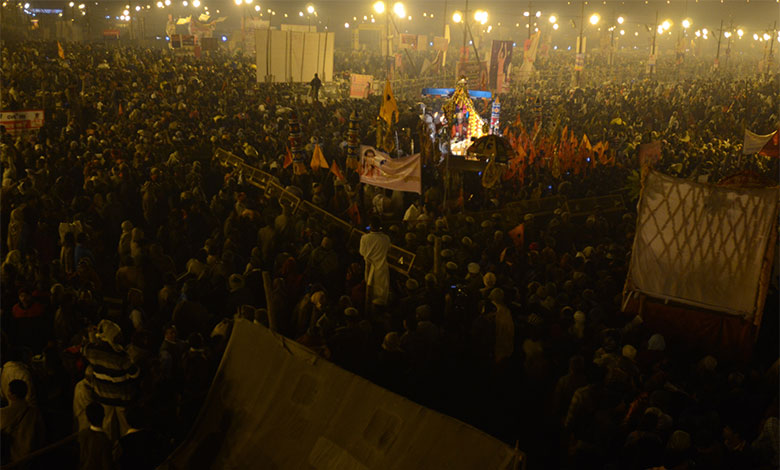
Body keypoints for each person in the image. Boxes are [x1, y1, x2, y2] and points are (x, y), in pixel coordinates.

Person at [0, 380, 44, 463]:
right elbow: (41, 432)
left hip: (12, 454)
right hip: (31, 453)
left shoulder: (4, 413)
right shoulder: (35, 412)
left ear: (12, 395)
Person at [359, 216, 391, 307]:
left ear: (370, 226)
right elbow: (388, 251)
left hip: (369, 269)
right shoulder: (386, 238)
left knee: (369, 296)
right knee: (382, 297)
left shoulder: (364, 238)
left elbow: (362, 253)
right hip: (382, 270)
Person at [78, 402, 114, 470]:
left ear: (87, 418)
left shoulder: (82, 434)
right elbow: (106, 464)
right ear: (104, 415)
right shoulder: (105, 440)